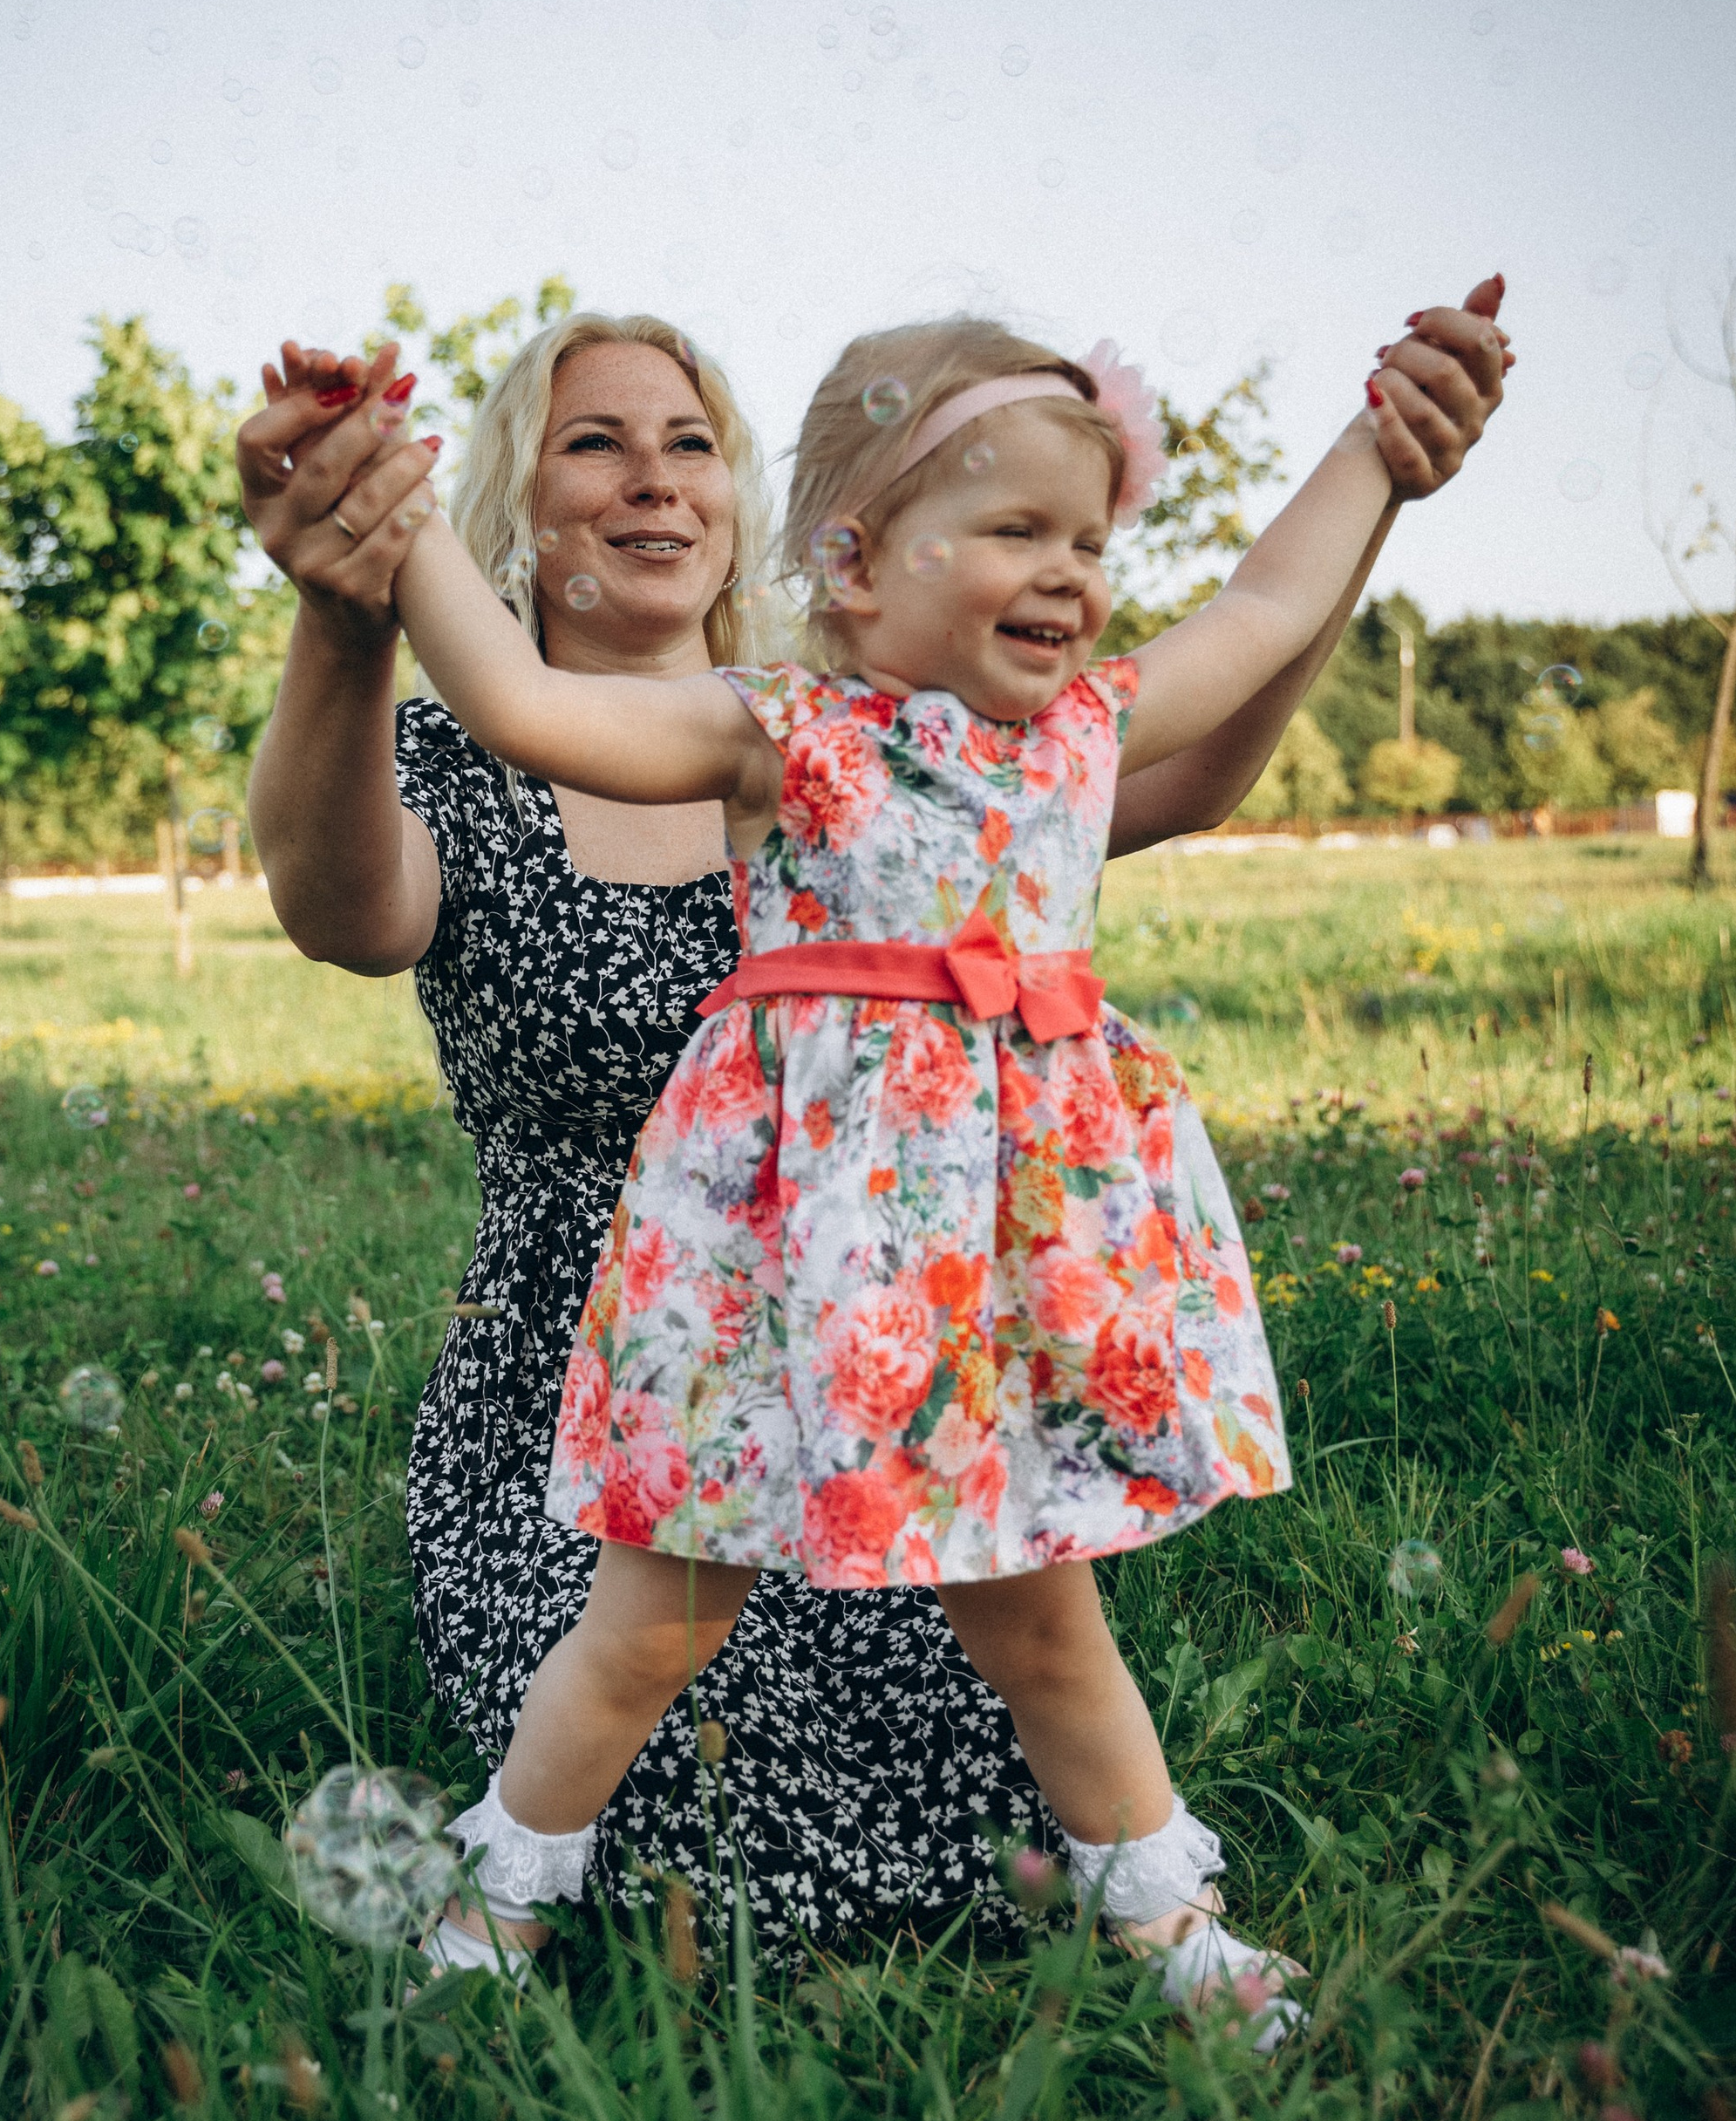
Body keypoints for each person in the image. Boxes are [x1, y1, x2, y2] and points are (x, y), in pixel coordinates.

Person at [239, 285, 1508, 1969]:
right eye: (597, 442)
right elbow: (504, 720)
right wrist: (377, 530)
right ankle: (508, 1896)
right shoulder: (754, 743)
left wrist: (1382, 449)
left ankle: (1173, 1936)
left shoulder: (1023, 734)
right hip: (671, 1343)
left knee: (1021, 1693)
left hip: (918, 1340)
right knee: (673, 1732)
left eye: (691, 441)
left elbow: (1258, 621)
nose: (655, 476)